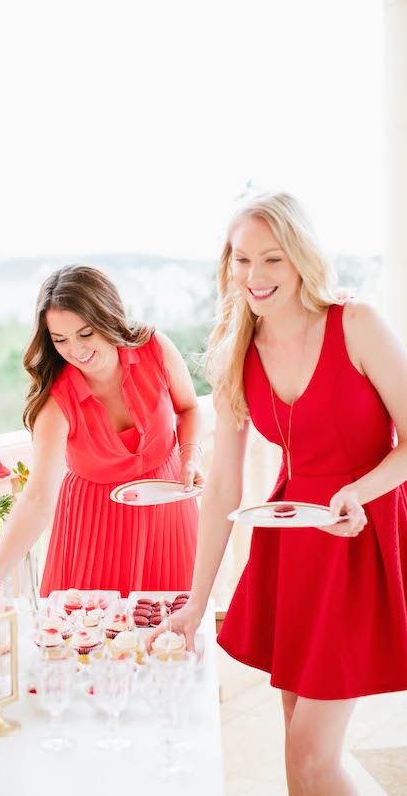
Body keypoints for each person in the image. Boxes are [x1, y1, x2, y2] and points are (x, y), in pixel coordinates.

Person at [150, 192, 407, 795]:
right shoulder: (236, 354)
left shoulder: (357, 323)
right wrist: (195, 601)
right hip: (293, 541)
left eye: (272, 259)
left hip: (360, 536)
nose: (255, 276)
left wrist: (356, 493)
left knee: (314, 758)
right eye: (242, 260)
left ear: (300, 259)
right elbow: (221, 491)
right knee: (298, 750)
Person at [0, 264, 203, 596]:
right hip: (95, 529)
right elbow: (36, 499)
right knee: (90, 640)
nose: (76, 350)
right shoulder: (57, 402)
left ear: (108, 317)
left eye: (86, 333)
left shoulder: (154, 347)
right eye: (61, 340)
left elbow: (188, 408)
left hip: (169, 512)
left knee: (174, 636)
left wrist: (190, 458)